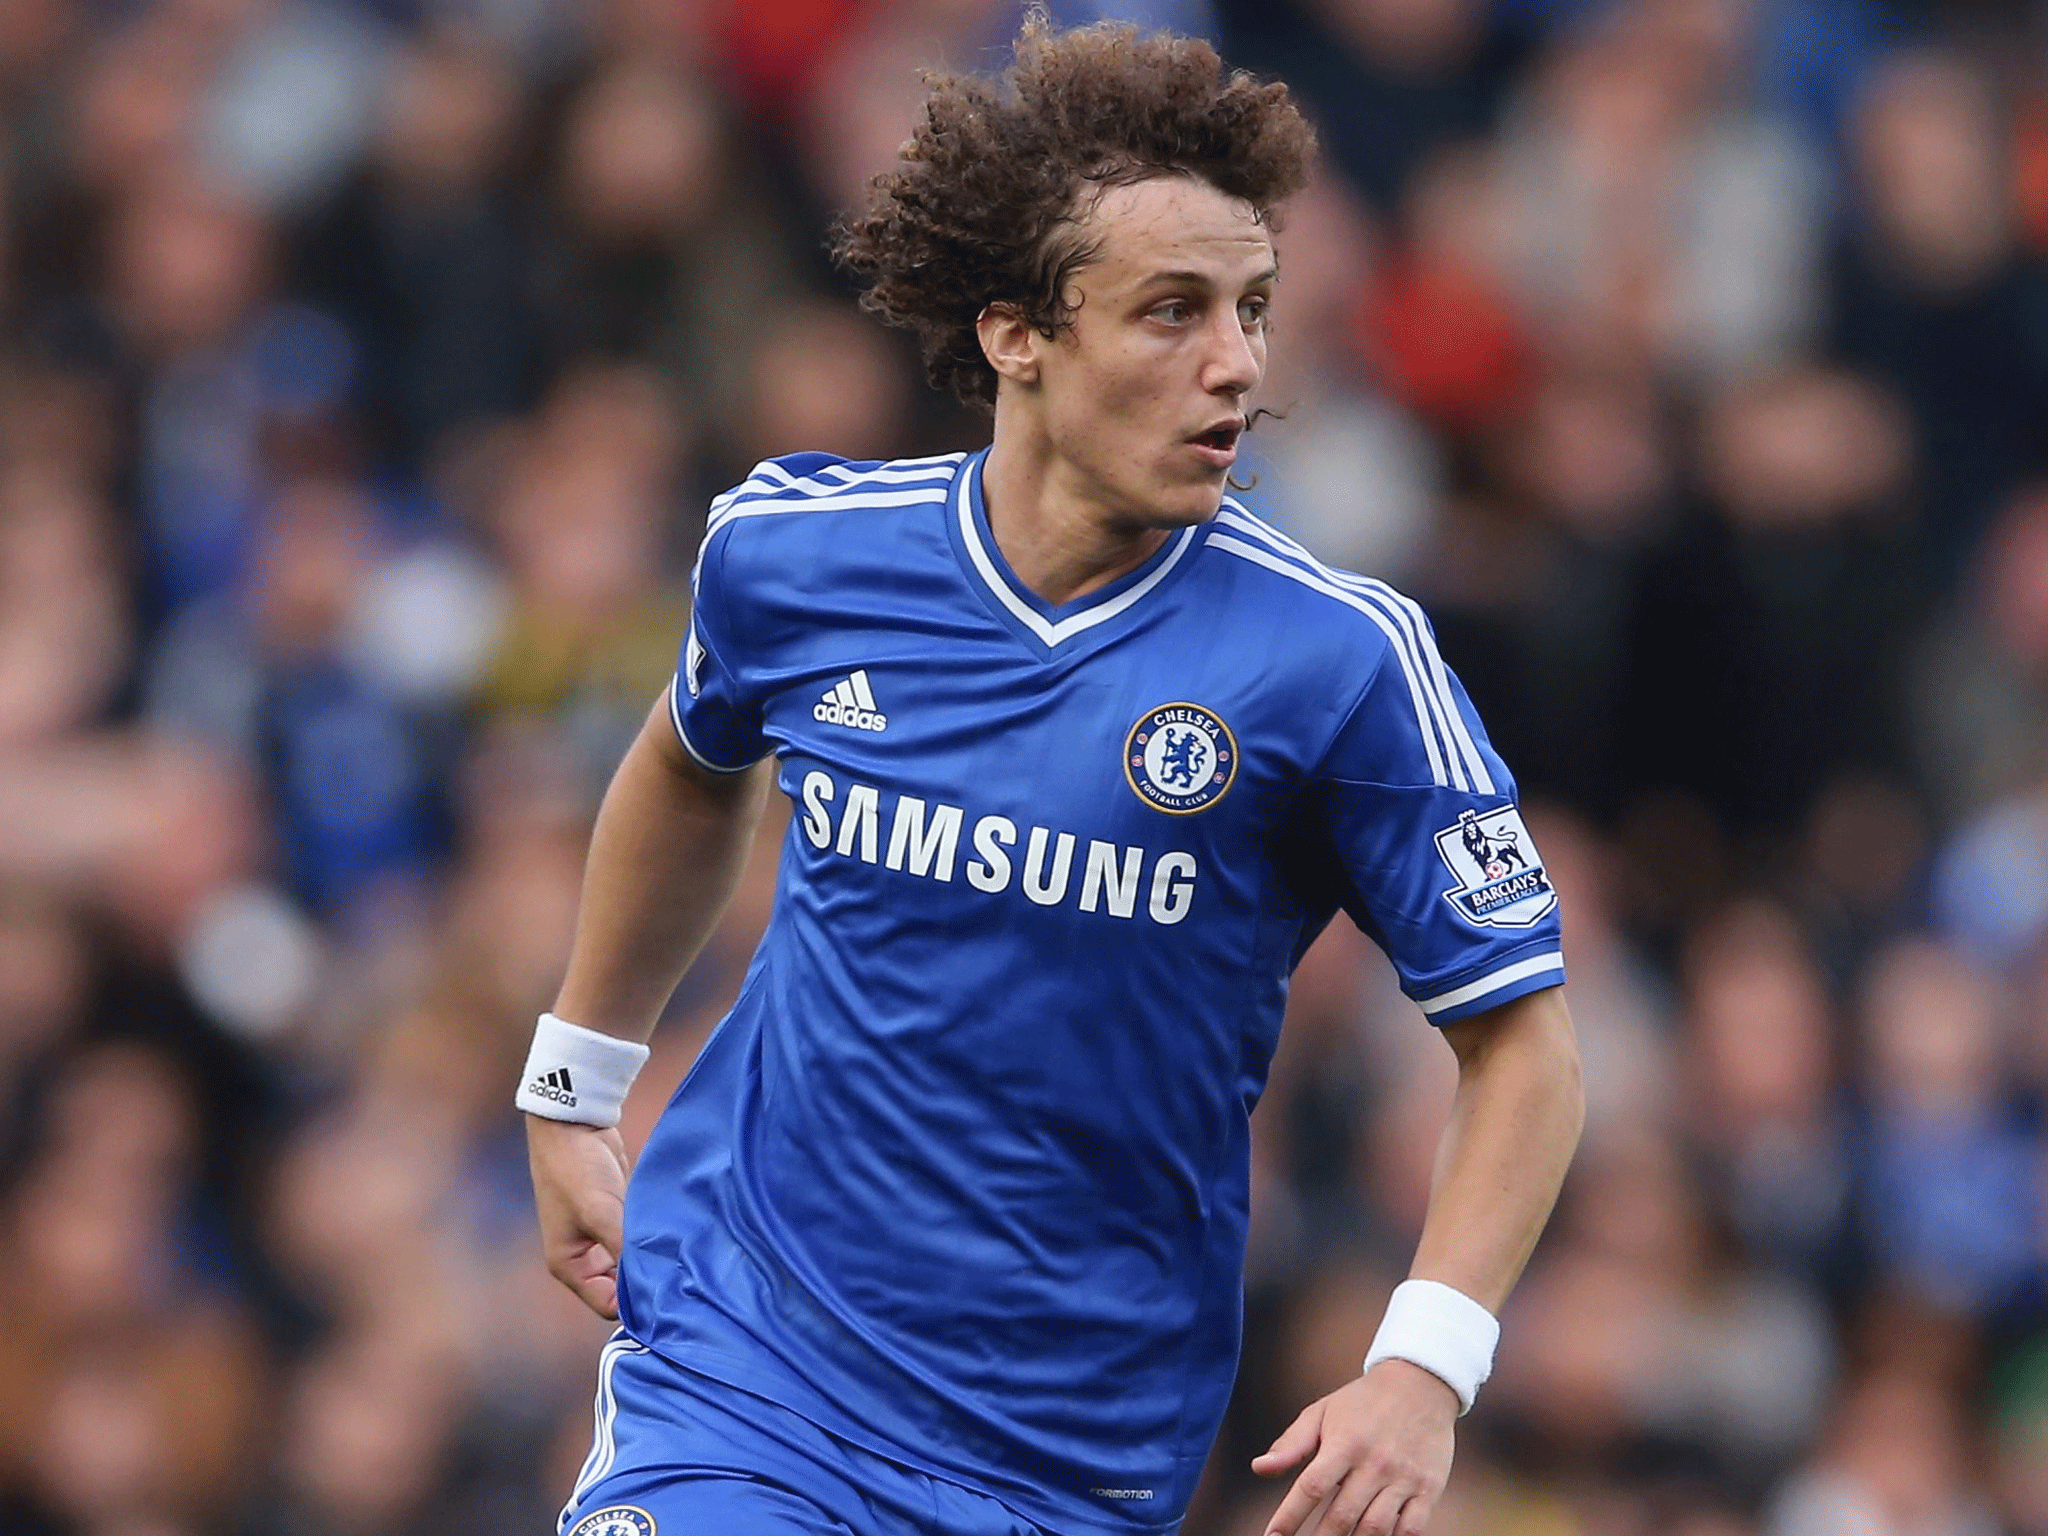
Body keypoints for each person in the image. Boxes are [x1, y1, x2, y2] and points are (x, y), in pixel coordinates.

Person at [522, 18, 1583, 1536]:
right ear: (1018, 332)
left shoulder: (1338, 664)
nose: (1238, 364)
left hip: (1061, 1453)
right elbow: (692, 767)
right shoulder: (796, 553)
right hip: (745, 1363)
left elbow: (1524, 1044)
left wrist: (1426, 1365)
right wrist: (576, 1079)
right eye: (1172, 311)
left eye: (1253, 309)